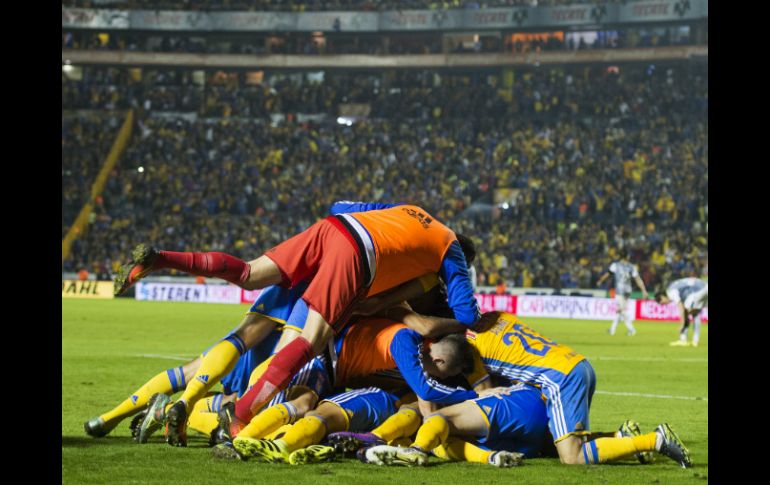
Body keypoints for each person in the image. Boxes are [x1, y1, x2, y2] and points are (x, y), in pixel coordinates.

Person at [113, 202, 482, 445]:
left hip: (334, 228)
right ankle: (240, 416)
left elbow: (343, 205)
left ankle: (160, 258)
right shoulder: (450, 252)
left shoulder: (414, 211)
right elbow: (467, 315)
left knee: (248, 272)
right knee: (310, 340)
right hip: (357, 257)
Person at [596, 249, 647, 336]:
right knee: (620, 310)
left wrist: (600, 280)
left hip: (620, 291)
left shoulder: (615, 265)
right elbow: (638, 279)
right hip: (628, 290)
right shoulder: (632, 267)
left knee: (621, 310)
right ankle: (612, 330)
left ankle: (632, 330)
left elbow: (608, 274)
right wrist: (643, 290)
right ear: (627, 256)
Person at [655, 277, 708, 347]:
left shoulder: (671, 292)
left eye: (662, 302)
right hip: (704, 287)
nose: (664, 304)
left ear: (662, 296)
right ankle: (694, 341)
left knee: (687, 311)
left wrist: (682, 323)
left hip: (699, 290)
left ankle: (683, 339)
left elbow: (680, 307)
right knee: (695, 313)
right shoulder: (675, 289)